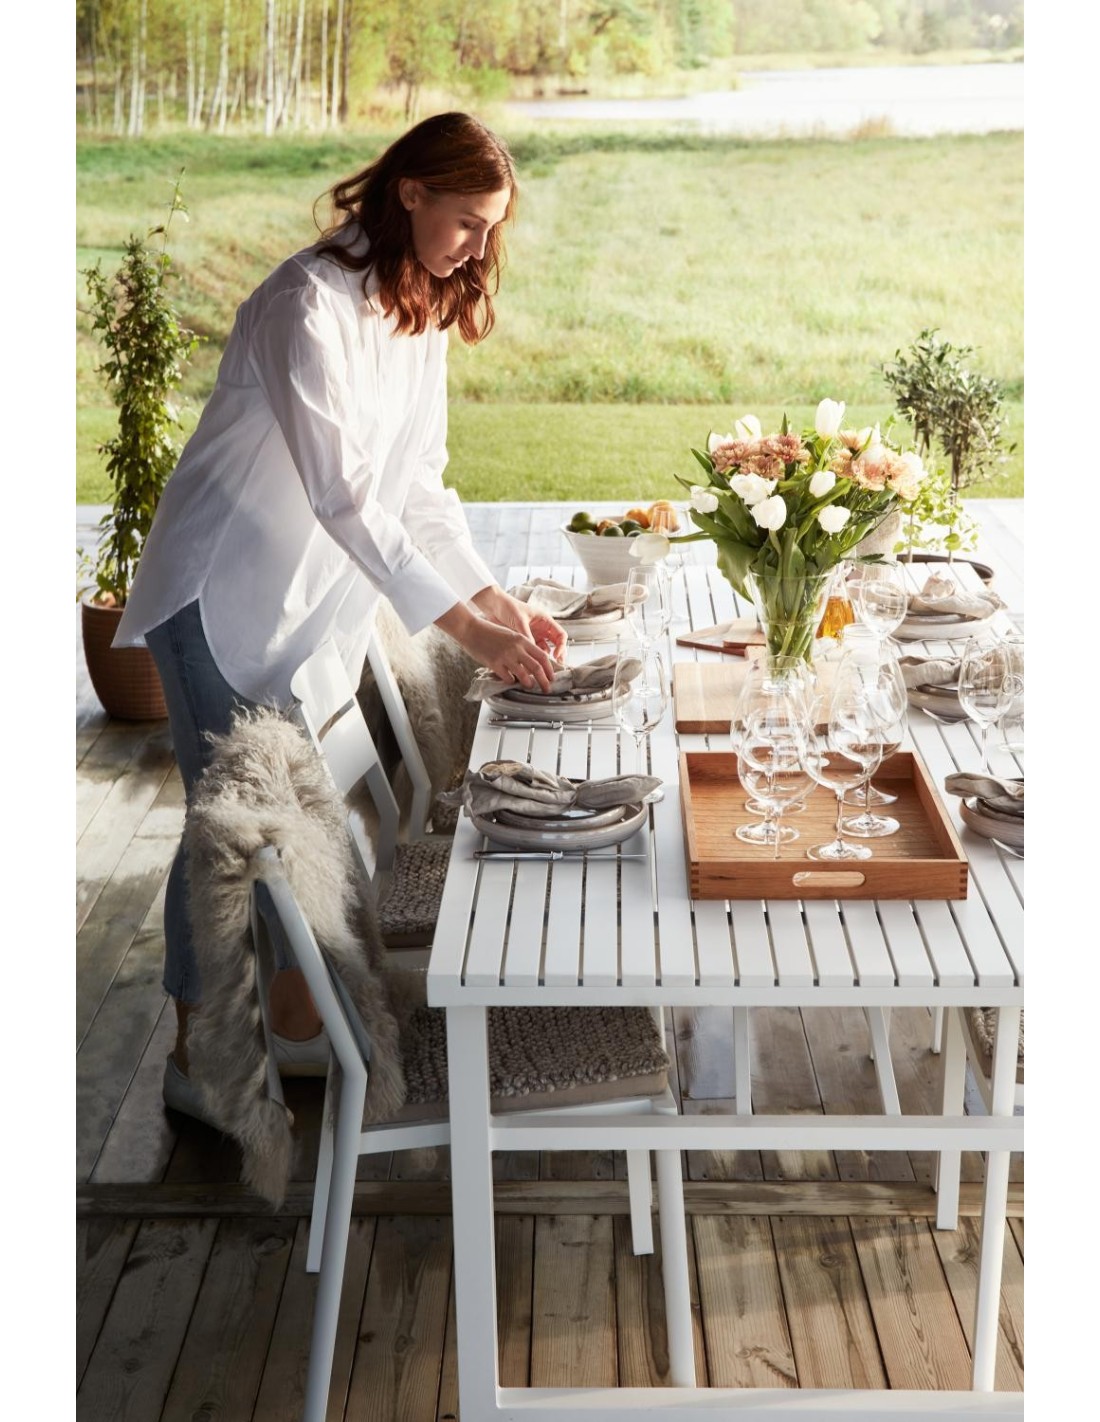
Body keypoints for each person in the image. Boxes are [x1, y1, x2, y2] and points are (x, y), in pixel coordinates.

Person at [113, 112, 566, 1120]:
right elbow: (345, 497)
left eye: (490, 229)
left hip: (307, 600)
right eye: (467, 221)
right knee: (229, 827)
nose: (478, 248)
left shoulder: (418, 309)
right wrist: (467, 630)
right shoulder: (301, 305)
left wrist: (494, 600)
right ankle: (199, 1062)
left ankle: (293, 1027)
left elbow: (421, 488)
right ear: (410, 192)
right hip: (217, 595)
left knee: (285, 828)